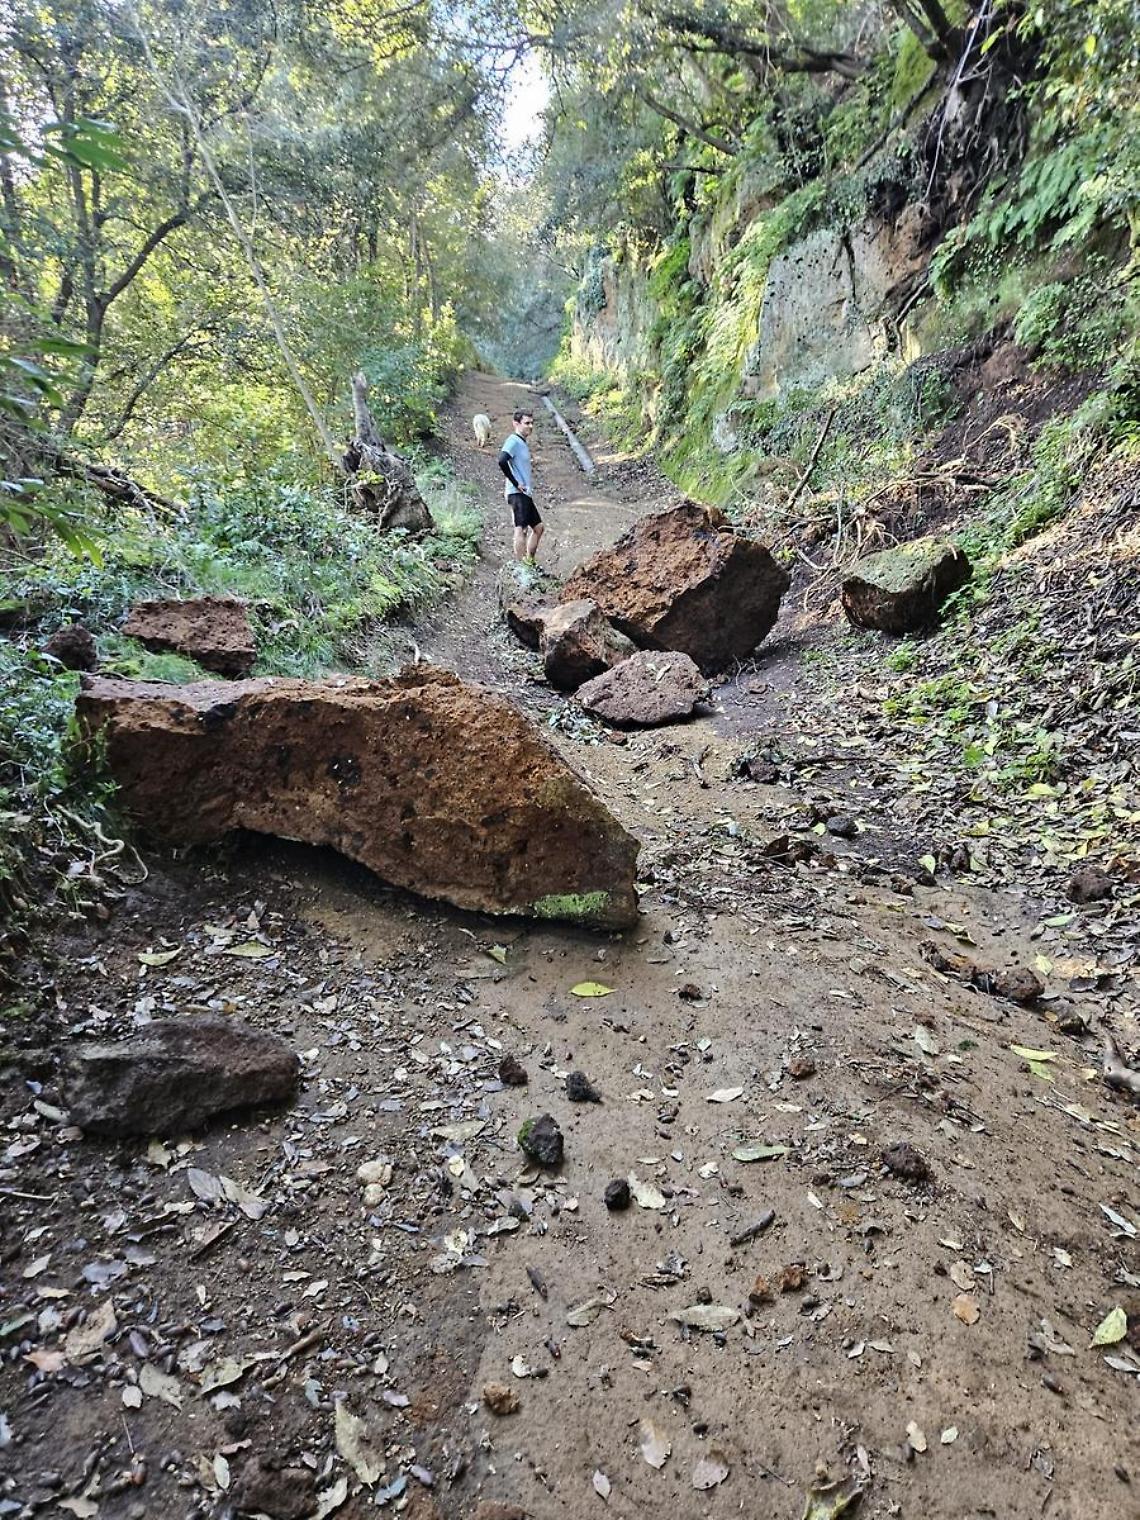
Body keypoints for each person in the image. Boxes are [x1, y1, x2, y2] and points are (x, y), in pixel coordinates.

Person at [497, 409, 543, 563]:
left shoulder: (522, 442)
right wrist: (516, 483)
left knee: (538, 528)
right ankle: (521, 568)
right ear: (516, 424)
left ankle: (529, 561)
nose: (530, 426)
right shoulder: (513, 440)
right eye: (526, 423)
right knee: (521, 529)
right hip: (516, 493)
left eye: (532, 423)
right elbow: (502, 460)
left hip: (525, 494)